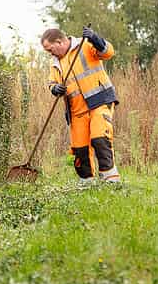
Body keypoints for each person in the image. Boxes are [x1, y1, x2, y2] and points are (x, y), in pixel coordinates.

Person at [41, 26, 121, 183]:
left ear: (59, 41)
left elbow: (108, 53)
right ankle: (86, 183)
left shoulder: (84, 45)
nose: (50, 54)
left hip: (100, 101)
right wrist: (55, 88)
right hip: (76, 111)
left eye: (50, 49)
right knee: (80, 149)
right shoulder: (55, 64)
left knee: (100, 138)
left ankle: (111, 180)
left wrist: (95, 38)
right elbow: (52, 83)